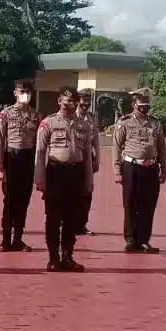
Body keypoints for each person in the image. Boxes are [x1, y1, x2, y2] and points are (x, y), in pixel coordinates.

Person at [35, 85, 90, 271]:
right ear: (59, 101)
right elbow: (40, 152)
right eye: (67, 101)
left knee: (72, 218)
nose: (71, 105)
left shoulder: (84, 124)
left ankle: (68, 257)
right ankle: (53, 258)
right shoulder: (48, 123)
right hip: (55, 173)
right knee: (53, 218)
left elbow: (88, 155)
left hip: (76, 173)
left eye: (74, 102)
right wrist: (39, 178)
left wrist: (89, 180)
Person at [113, 88, 166, 253]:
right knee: (130, 204)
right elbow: (116, 146)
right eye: (141, 105)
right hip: (131, 167)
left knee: (148, 205)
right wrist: (117, 170)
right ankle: (130, 239)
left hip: (150, 167)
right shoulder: (125, 122)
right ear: (133, 105)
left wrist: (163, 168)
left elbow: (162, 148)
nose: (144, 108)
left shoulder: (155, 123)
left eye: (147, 106)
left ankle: (144, 239)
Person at [0, 78, 39, 252]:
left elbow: (39, 144)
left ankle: (18, 239)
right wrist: (0, 167)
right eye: (22, 92)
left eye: (28, 92)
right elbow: (0, 140)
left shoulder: (36, 116)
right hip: (11, 158)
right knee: (10, 202)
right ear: (15, 93)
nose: (25, 95)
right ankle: (5, 240)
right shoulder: (6, 114)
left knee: (23, 201)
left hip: (27, 160)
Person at [74, 90, 99, 234]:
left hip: (88, 158)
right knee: (73, 191)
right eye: (83, 100)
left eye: (88, 100)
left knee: (87, 191)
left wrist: (97, 160)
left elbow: (95, 141)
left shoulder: (92, 119)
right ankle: (69, 223)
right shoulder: (72, 116)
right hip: (74, 156)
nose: (86, 104)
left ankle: (82, 224)